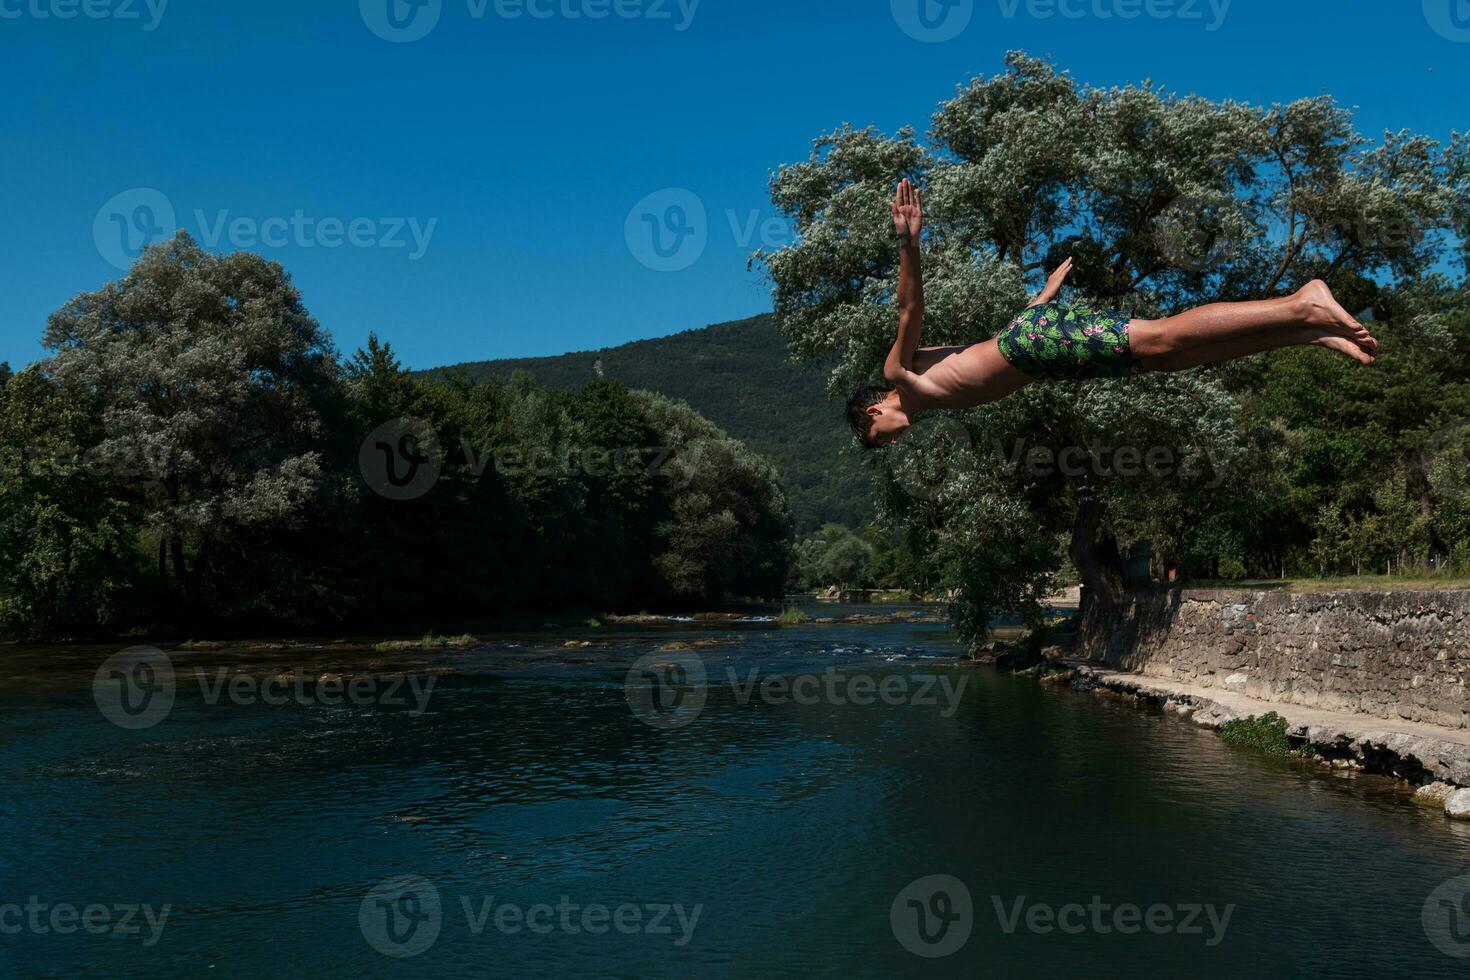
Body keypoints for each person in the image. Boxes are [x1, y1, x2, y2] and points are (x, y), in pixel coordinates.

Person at [848, 179, 1378, 447]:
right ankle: (1304, 330)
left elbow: (910, 307)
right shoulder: (928, 389)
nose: (894, 440)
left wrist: (908, 243)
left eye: (882, 437)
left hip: (1038, 347)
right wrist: (1041, 302)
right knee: (1169, 360)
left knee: (1167, 338)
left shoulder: (901, 374)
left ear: (875, 411)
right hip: (1039, 348)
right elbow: (986, 349)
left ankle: (1301, 301)